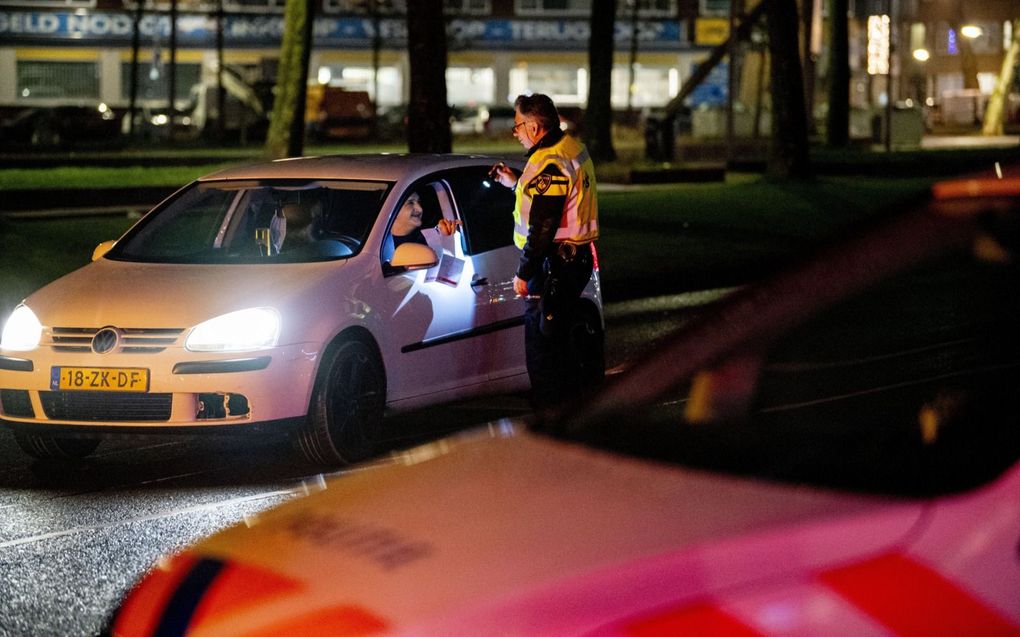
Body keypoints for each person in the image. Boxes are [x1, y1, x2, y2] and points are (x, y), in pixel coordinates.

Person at [489, 93, 600, 409]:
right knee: (558, 342)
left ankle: (551, 417)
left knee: (543, 350)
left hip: (552, 265)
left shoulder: (550, 161)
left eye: (518, 125)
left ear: (535, 127)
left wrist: (524, 271)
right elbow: (554, 199)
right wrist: (515, 184)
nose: (516, 132)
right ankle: (568, 408)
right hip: (572, 260)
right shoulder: (570, 148)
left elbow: (544, 224)